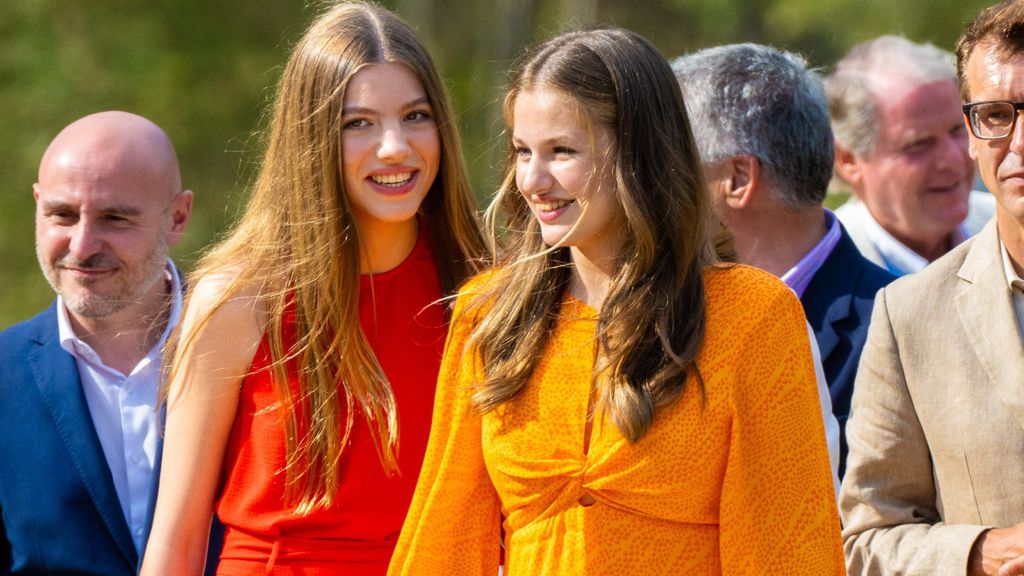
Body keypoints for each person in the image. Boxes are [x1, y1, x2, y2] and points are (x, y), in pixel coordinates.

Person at [388, 27, 844, 575]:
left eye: (561, 152)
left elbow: (788, 547)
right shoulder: (487, 313)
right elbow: (445, 538)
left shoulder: (753, 314)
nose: (532, 180)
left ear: (638, 154)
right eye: (522, 151)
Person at [139, 2, 486, 574]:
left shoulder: (481, 290)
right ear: (311, 137)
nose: (396, 146)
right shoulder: (237, 299)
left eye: (416, 116)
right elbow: (176, 540)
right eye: (359, 123)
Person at [840, 2, 1024, 575]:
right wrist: (981, 552)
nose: (1018, 141)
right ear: (973, 131)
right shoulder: (909, 315)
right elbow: (867, 539)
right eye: (995, 115)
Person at [672, 43, 895, 478]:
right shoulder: (657, 313)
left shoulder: (895, 331)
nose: (648, 183)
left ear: (736, 179)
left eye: (669, 161)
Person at [0, 111, 192, 574]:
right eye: (62, 215)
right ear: (37, 204)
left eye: (114, 218)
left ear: (178, 217)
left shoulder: (265, 355)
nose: (82, 246)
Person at [826, 35, 995, 276]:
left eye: (958, 130)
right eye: (920, 144)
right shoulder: (826, 276)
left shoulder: (1009, 228)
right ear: (849, 160)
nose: (954, 159)